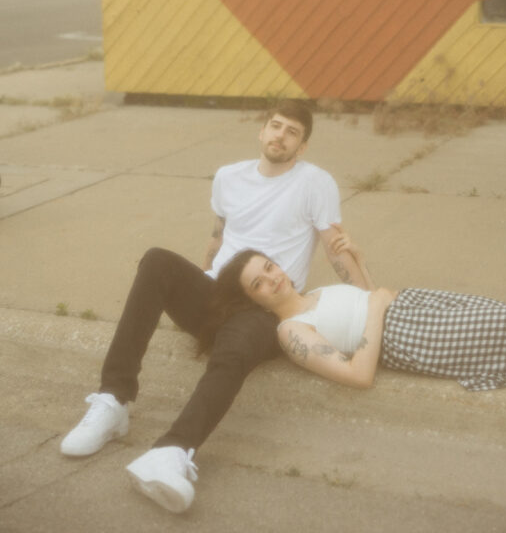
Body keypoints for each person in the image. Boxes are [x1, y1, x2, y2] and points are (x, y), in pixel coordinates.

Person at [60, 101, 369, 513]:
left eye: (292, 131)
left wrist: (369, 305)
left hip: (265, 308)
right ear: (262, 132)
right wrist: (201, 277)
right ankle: (114, 399)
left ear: (303, 145)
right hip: (216, 293)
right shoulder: (229, 177)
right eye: (275, 126)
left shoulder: (315, 183)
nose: (280, 135)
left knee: (236, 347)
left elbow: (336, 250)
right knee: (156, 261)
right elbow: (219, 238)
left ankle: (171, 452)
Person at [206, 238, 506, 394]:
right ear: (254, 301)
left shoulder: (314, 292)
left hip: (420, 306)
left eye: (268, 268)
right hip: (418, 337)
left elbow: (374, 298)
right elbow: (357, 374)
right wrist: (375, 306)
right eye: (259, 284)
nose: (272, 279)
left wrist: (360, 264)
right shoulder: (291, 332)